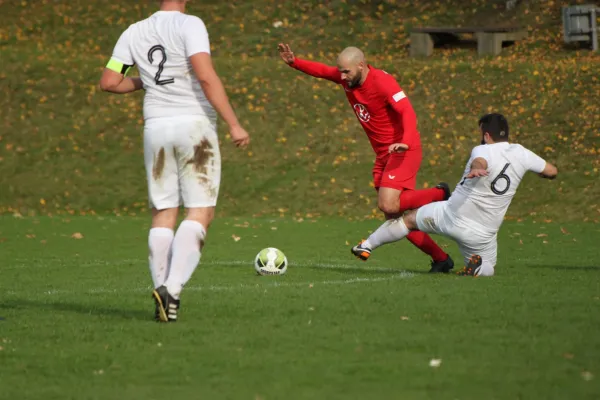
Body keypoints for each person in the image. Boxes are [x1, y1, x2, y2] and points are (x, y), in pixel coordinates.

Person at [99, 0, 250, 322]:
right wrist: (234, 123)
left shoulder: (133, 31)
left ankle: (161, 292)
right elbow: (205, 76)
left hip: (155, 127)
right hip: (193, 126)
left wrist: (144, 82)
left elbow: (109, 82)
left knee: (163, 212)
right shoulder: (190, 24)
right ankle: (173, 287)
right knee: (200, 211)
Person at [278, 43, 454, 272]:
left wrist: (406, 141)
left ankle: (439, 192)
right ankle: (441, 259)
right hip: (383, 155)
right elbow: (322, 71)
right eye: (340, 71)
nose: (341, 76)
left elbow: (407, 112)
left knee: (387, 203)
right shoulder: (347, 77)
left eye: (346, 71)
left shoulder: (383, 82)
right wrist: (294, 62)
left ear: (361, 65)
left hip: (403, 150)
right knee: (395, 218)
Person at [360, 113, 558, 276]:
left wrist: (477, 168)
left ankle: (367, 245)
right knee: (487, 265)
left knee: (408, 220)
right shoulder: (522, 153)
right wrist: (540, 172)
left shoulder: (482, 149)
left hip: (452, 216)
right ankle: (477, 268)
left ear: (487, 135)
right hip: (483, 234)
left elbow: (480, 160)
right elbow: (551, 171)